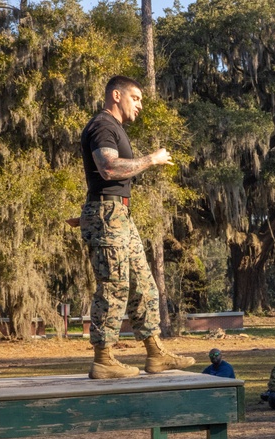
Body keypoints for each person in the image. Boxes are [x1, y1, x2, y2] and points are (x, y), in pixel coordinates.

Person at [79, 75, 194, 379]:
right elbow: (108, 168)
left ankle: (156, 354)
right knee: (114, 284)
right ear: (116, 96)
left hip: (118, 215)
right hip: (108, 213)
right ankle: (104, 358)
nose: (140, 105)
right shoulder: (102, 126)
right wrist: (152, 159)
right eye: (136, 98)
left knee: (144, 285)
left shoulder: (114, 128)